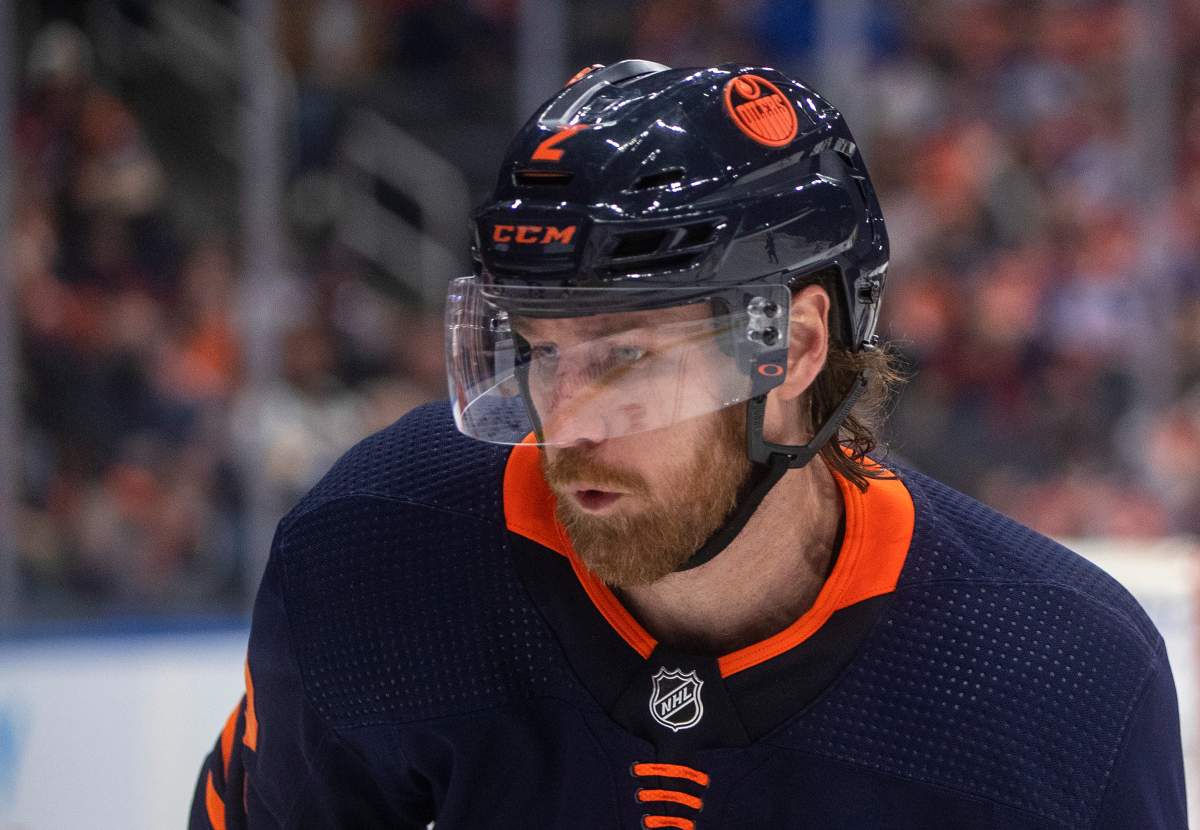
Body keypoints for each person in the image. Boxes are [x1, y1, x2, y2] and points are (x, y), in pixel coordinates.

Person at [191, 61, 1187, 829]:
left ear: (794, 348)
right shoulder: (377, 549)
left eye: (626, 356)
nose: (565, 419)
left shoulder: (1059, 677)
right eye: (541, 348)